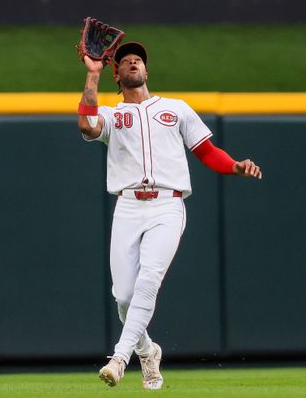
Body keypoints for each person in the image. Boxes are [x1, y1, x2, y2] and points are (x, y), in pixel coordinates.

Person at [77, 40, 262, 390]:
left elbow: (206, 151)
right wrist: (92, 75)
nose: (133, 63)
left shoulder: (176, 109)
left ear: (146, 71)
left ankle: (119, 358)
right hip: (128, 206)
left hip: (167, 204)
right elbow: (86, 126)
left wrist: (235, 166)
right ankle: (148, 350)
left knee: (149, 280)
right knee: (124, 298)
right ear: (115, 73)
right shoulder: (114, 115)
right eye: (126, 61)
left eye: (138, 60)